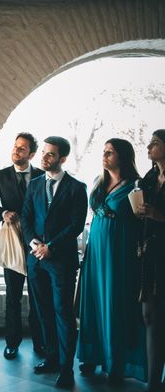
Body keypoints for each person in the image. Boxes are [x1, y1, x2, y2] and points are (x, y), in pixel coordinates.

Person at [77, 138, 146, 383]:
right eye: (103, 151)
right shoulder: (99, 182)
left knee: (114, 302)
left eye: (110, 152)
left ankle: (116, 360)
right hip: (96, 250)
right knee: (93, 301)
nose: (104, 155)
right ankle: (92, 355)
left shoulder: (136, 185)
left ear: (123, 157)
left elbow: (141, 220)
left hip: (119, 251)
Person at [21, 136, 88, 389]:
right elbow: (26, 218)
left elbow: (75, 225)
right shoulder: (35, 184)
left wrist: (52, 247)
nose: (44, 157)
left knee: (63, 313)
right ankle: (51, 358)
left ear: (62, 159)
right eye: (44, 153)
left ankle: (66, 369)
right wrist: (34, 245)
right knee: (43, 311)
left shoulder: (76, 188)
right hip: (36, 259)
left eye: (50, 154)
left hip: (61, 261)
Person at [0, 132, 44, 360]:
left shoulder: (41, 176)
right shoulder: (1, 176)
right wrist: (2, 212)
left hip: (38, 241)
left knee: (38, 295)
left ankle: (41, 342)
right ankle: (12, 343)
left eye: (22, 148)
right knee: (13, 295)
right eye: (15, 147)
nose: (16, 151)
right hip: (13, 241)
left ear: (32, 154)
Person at [135, 129, 165, 391]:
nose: (148, 146)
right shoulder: (150, 177)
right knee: (149, 316)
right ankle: (154, 381)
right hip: (149, 255)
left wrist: (160, 216)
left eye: (155, 143)